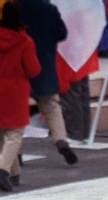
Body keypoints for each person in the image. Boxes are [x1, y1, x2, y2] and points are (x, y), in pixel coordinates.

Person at [19, 0, 78, 165]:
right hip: (45, 64)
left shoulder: (15, 7)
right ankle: (61, 140)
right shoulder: (49, 8)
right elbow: (62, 33)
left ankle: (16, 151)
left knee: (17, 110)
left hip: (21, 67)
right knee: (52, 105)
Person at [0, 1, 40, 191]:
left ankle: (14, 175)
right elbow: (33, 69)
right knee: (14, 134)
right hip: (14, 91)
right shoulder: (25, 41)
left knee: (2, 133)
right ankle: (2, 171)